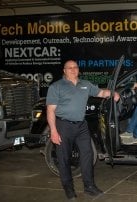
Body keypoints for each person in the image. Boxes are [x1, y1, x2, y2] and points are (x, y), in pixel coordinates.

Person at [46, 60, 120, 200]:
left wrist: (113, 93)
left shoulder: (85, 84)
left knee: (87, 155)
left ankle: (89, 187)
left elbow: (101, 92)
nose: (73, 70)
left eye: (75, 67)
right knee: (64, 159)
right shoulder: (56, 87)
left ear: (78, 70)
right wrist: (53, 131)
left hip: (81, 126)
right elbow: (50, 111)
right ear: (64, 70)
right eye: (70, 68)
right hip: (63, 126)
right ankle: (69, 189)